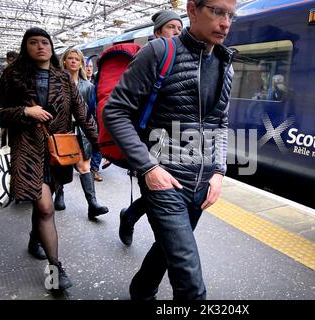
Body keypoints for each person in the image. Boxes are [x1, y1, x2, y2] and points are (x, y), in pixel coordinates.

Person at [103, 0, 236, 300]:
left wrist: (218, 172)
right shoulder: (160, 51)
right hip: (164, 178)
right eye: (217, 11)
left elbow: (221, 122)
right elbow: (115, 112)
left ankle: (141, 291)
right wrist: (148, 167)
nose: (226, 23)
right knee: (191, 286)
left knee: (167, 249)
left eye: (230, 14)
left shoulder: (226, 63)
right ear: (192, 10)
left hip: (201, 185)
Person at [0, 27, 99, 291]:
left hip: (57, 152)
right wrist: (26, 111)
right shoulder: (12, 75)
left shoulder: (63, 78)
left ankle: (33, 239)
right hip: (27, 151)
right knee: (46, 208)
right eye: (33, 42)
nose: (40, 47)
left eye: (45, 42)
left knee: (44, 206)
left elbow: (82, 113)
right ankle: (55, 271)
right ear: (24, 47)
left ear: (52, 48)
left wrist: (101, 144)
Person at [118, 10, 183, 247]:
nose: (177, 32)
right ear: (157, 32)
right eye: (171, 27)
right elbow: (125, 104)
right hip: (147, 137)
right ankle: (132, 219)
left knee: (166, 190)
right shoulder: (150, 55)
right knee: (157, 193)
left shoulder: (182, 56)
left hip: (173, 139)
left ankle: (129, 216)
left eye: (179, 28)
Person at [53, 48, 109, 219]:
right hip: (62, 130)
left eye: (77, 59)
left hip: (82, 131)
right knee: (60, 165)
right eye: (70, 58)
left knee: (84, 167)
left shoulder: (89, 86)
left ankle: (92, 203)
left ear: (81, 64)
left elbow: (92, 111)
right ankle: (60, 194)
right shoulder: (56, 84)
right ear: (64, 61)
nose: (73, 61)